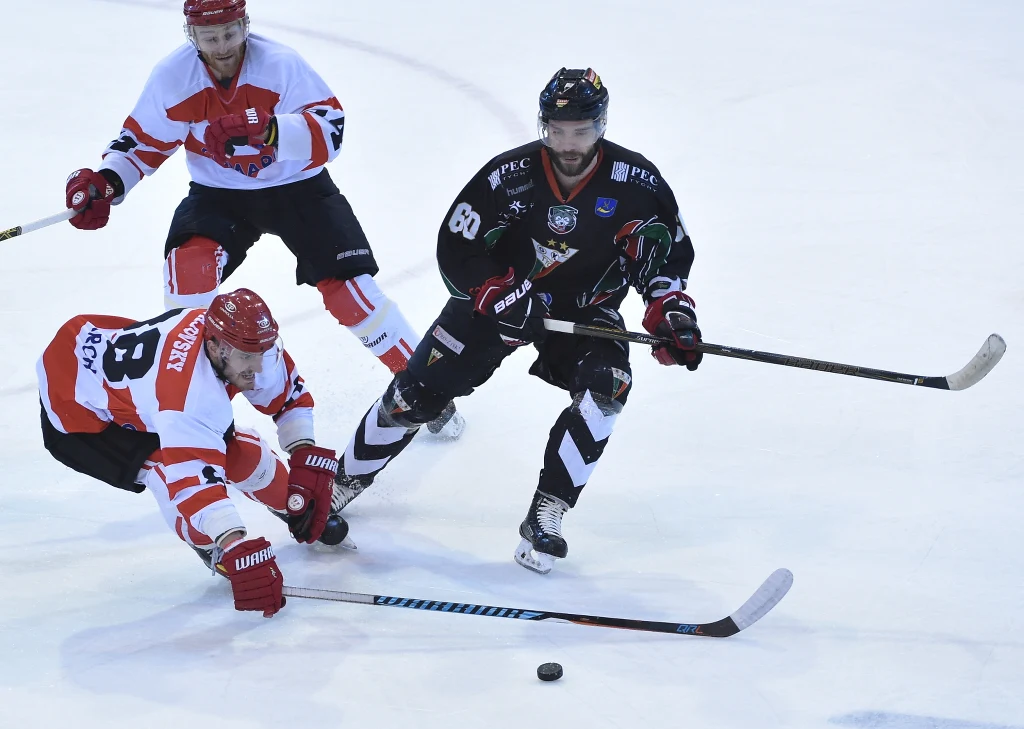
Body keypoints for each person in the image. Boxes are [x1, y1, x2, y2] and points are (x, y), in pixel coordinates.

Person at [330, 68, 700, 574]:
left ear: (602, 125)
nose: (569, 144)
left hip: (585, 308)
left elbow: (664, 261)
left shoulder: (638, 183)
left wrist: (671, 313)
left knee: (607, 388)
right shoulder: (508, 175)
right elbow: (455, 245)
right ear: (543, 125)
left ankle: (548, 513)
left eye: (582, 130)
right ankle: (340, 482)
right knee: (415, 395)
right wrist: (491, 289)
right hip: (500, 301)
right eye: (558, 130)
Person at [62, 0, 462, 438]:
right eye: (210, 37)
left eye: (230, 33)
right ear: (190, 35)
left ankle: (426, 389)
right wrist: (106, 182)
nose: (222, 47)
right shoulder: (173, 77)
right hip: (220, 196)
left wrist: (273, 130)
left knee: (352, 293)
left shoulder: (280, 65)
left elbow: (332, 131)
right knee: (186, 278)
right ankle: (193, 408)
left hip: (300, 190)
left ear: (245, 25)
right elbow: (141, 144)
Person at [37, 288, 346, 617]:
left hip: (110, 361)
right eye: (246, 357)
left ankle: (289, 506)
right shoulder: (188, 397)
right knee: (167, 476)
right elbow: (196, 488)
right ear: (214, 348)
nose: (257, 367)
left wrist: (303, 455)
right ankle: (208, 547)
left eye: (262, 352)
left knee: (241, 454)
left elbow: (288, 397)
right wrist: (234, 546)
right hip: (78, 418)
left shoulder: (241, 341)